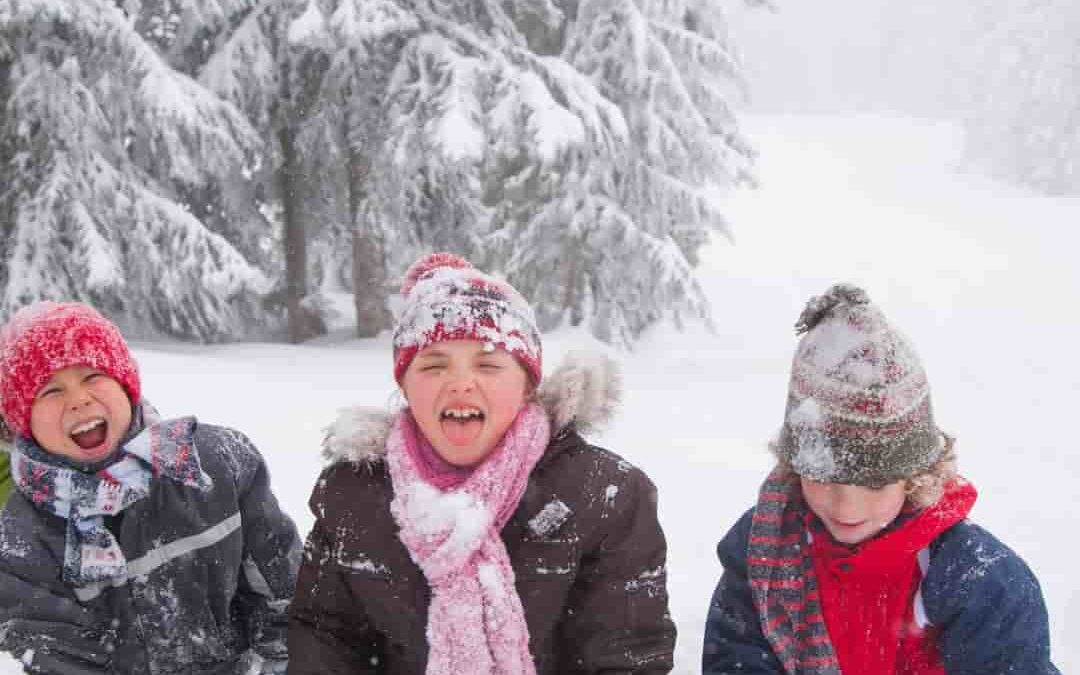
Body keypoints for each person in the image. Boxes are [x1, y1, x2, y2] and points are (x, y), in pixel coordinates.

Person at [288, 252, 676, 674]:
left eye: (489, 365)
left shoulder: (604, 495)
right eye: (434, 365)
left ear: (528, 385)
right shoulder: (352, 493)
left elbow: (626, 657)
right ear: (404, 384)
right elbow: (325, 641)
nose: (460, 383)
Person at [702, 283, 1061, 675]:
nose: (846, 506)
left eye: (875, 483)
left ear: (915, 475)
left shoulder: (979, 581)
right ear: (796, 466)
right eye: (824, 477)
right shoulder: (763, 554)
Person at [0, 301, 301, 674]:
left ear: (125, 385)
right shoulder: (20, 537)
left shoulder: (217, 464)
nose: (79, 399)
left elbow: (285, 599)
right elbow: (59, 659)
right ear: (23, 423)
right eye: (50, 392)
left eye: (93, 376)